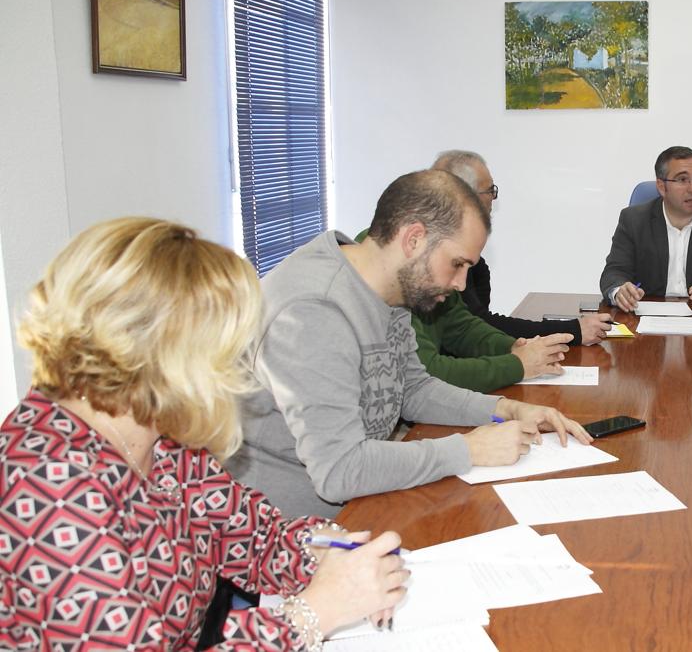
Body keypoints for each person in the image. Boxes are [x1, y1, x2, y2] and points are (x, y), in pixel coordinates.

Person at [0, 217, 407, 650]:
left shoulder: (162, 431)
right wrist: (317, 610)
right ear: (152, 352)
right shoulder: (44, 485)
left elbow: (252, 536)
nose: (233, 372)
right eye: (220, 351)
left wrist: (327, 549)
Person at [230, 170, 592, 518]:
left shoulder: (390, 291)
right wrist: (467, 449)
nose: (462, 285)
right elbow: (339, 470)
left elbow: (413, 389)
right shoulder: (313, 311)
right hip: (287, 542)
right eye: (456, 264)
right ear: (413, 239)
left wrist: (506, 410)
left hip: (362, 507)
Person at [433, 150, 612, 346]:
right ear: (463, 196)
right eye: (490, 190)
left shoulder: (476, 265)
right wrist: (572, 331)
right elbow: (479, 326)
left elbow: (478, 328)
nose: (493, 197)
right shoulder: (437, 261)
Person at [600, 146, 692, 312]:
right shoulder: (634, 220)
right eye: (682, 180)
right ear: (662, 187)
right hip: (645, 317)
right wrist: (620, 291)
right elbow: (614, 272)